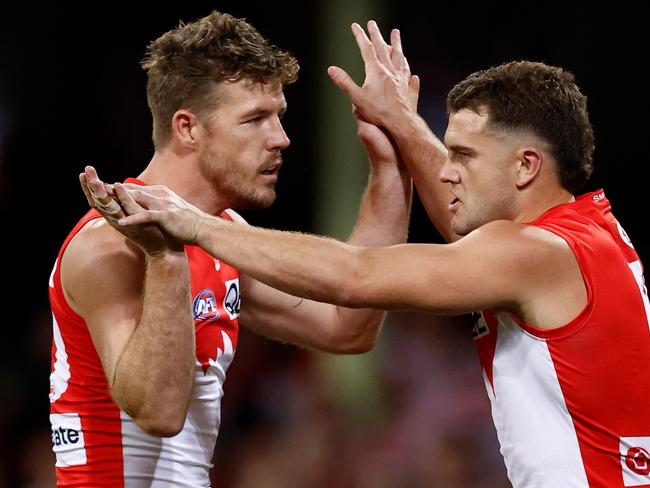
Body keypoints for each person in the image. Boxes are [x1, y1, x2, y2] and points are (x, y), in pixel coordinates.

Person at [91, 21, 650, 488]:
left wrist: (193, 226)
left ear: (526, 166)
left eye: (464, 155)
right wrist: (402, 129)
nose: (447, 170)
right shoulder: (580, 234)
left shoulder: (534, 251)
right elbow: (356, 320)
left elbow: (352, 278)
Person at [50, 11, 417, 486]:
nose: (281, 139)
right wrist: (166, 257)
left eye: (278, 117)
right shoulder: (109, 244)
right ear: (188, 128)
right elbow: (159, 412)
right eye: (254, 119)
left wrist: (390, 158)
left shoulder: (221, 233)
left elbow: (349, 328)